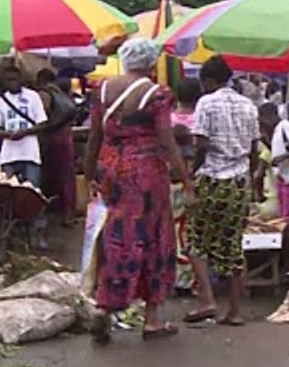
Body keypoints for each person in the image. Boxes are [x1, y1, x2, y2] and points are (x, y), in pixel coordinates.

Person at [83, 38, 192, 343]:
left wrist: (88, 175)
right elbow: (167, 140)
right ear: (150, 62)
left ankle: (104, 306)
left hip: (110, 169)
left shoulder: (102, 89)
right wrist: (186, 179)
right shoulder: (156, 95)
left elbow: (94, 137)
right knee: (153, 239)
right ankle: (152, 320)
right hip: (145, 174)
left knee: (115, 235)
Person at [184, 55, 261, 327]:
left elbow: (201, 144)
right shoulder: (249, 105)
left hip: (212, 179)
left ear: (209, 81)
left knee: (195, 241)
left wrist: (191, 176)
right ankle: (235, 311)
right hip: (239, 183)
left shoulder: (207, 102)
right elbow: (254, 151)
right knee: (233, 244)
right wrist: (251, 180)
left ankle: (207, 300)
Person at [0, 62, 51, 249]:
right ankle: (12, 234)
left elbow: (43, 123)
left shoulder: (32, 97)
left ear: (21, 79)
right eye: (8, 80)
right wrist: (6, 134)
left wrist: (25, 132)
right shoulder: (1, 101)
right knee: (8, 195)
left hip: (30, 151)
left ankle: (37, 234)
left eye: (15, 79)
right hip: (9, 153)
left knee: (33, 193)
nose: (12, 82)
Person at [36, 68, 80, 228]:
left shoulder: (44, 94)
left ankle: (50, 212)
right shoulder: (61, 93)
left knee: (48, 174)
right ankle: (68, 213)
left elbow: (43, 115)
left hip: (51, 138)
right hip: (66, 137)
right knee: (67, 176)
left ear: (40, 79)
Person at [171, 79, 201, 293]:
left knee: (171, 230)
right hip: (193, 180)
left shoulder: (167, 119)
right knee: (190, 231)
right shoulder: (200, 120)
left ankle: (173, 278)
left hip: (168, 181)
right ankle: (191, 280)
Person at [259, 102, 289, 226]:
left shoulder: (286, 126)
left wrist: (283, 157)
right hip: (283, 177)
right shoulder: (276, 131)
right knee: (283, 216)